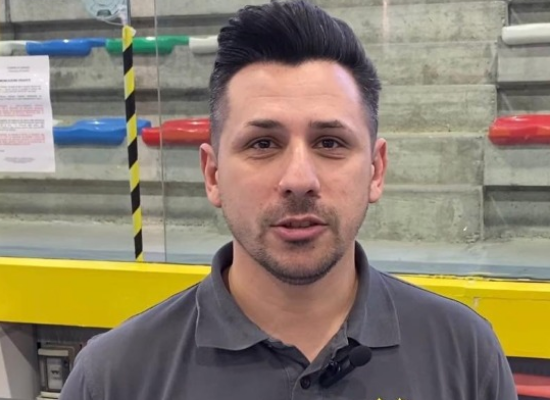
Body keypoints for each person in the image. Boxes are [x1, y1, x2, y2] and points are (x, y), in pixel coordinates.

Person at [60, 1, 518, 399]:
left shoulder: (465, 355)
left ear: (376, 170)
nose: (299, 179)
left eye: (330, 143)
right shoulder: (114, 378)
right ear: (213, 174)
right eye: (263, 144)